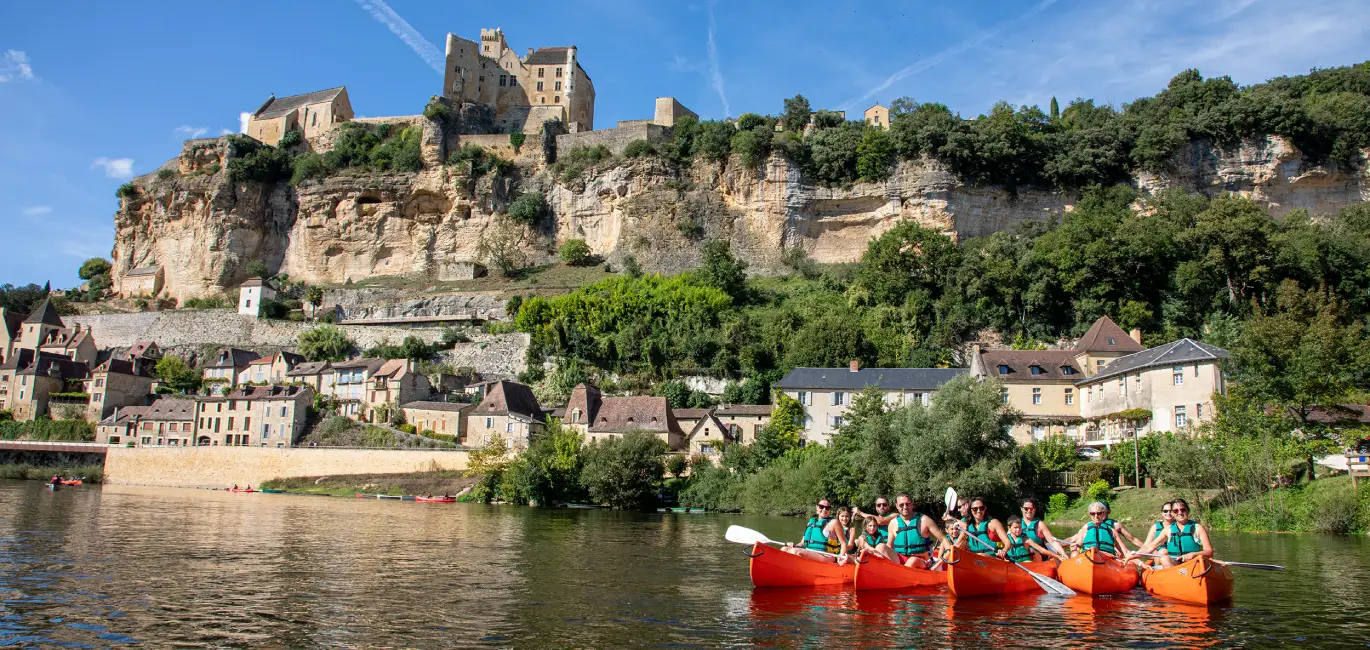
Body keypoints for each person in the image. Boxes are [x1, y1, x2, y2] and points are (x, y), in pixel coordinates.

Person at [1129, 498, 1214, 567]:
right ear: (1173, 513)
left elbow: (1209, 552)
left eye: (1182, 509)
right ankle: (1173, 581)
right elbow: (1150, 547)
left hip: (1194, 563)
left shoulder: (1198, 528)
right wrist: (1132, 556)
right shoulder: (1168, 530)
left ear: (1188, 511)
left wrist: (1194, 554)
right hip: (1175, 565)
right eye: (1176, 511)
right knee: (1164, 558)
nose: (1180, 513)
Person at [881, 493, 953, 568]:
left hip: (922, 560)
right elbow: (889, 546)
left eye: (908, 504)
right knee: (881, 547)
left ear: (912, 504)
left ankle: (900, 574)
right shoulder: (893, 523)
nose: (905, 507)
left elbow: (944, 540)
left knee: (912, 560)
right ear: (897, 506)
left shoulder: (925, 520)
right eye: (901, 505)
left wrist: (938, 563)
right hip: (902, 559)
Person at [1064, 501, 1144, 557]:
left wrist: (1145, 552)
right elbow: (1074, 540)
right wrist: (1071, 548)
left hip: (1108, 555)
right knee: (1074, 554)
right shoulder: (1086, 527)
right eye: (1093, 513)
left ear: (1106, 512)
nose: (1096, 516)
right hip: (1088, 556)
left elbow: (1131, 542)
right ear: (1090, 514)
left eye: (1099, 513)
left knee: (1120, 554)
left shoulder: (1114, 527)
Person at [783, 498, 850, 563]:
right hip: (810, 552)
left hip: (826, 556)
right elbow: (802, 543)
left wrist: (841, 557)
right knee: (784, 549)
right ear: (817, 507)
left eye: (827, 508)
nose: (824, 509)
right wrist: (792, 545)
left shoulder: (834, 522)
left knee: (795, 552)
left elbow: (843, 544)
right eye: (821, 507)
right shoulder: (811, 522)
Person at [999, 515, 1064, 563]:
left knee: (1028, 562)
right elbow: (998, 548)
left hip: (1025, 562)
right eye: (1015, 527)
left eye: (1020, 527)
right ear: (1009, 528)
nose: (1018, 530)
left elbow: (1042, 550)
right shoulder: (1006, 539)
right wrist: (1001, 553)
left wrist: (1058, 556)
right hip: (1011, 562)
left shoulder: (1025, 539)